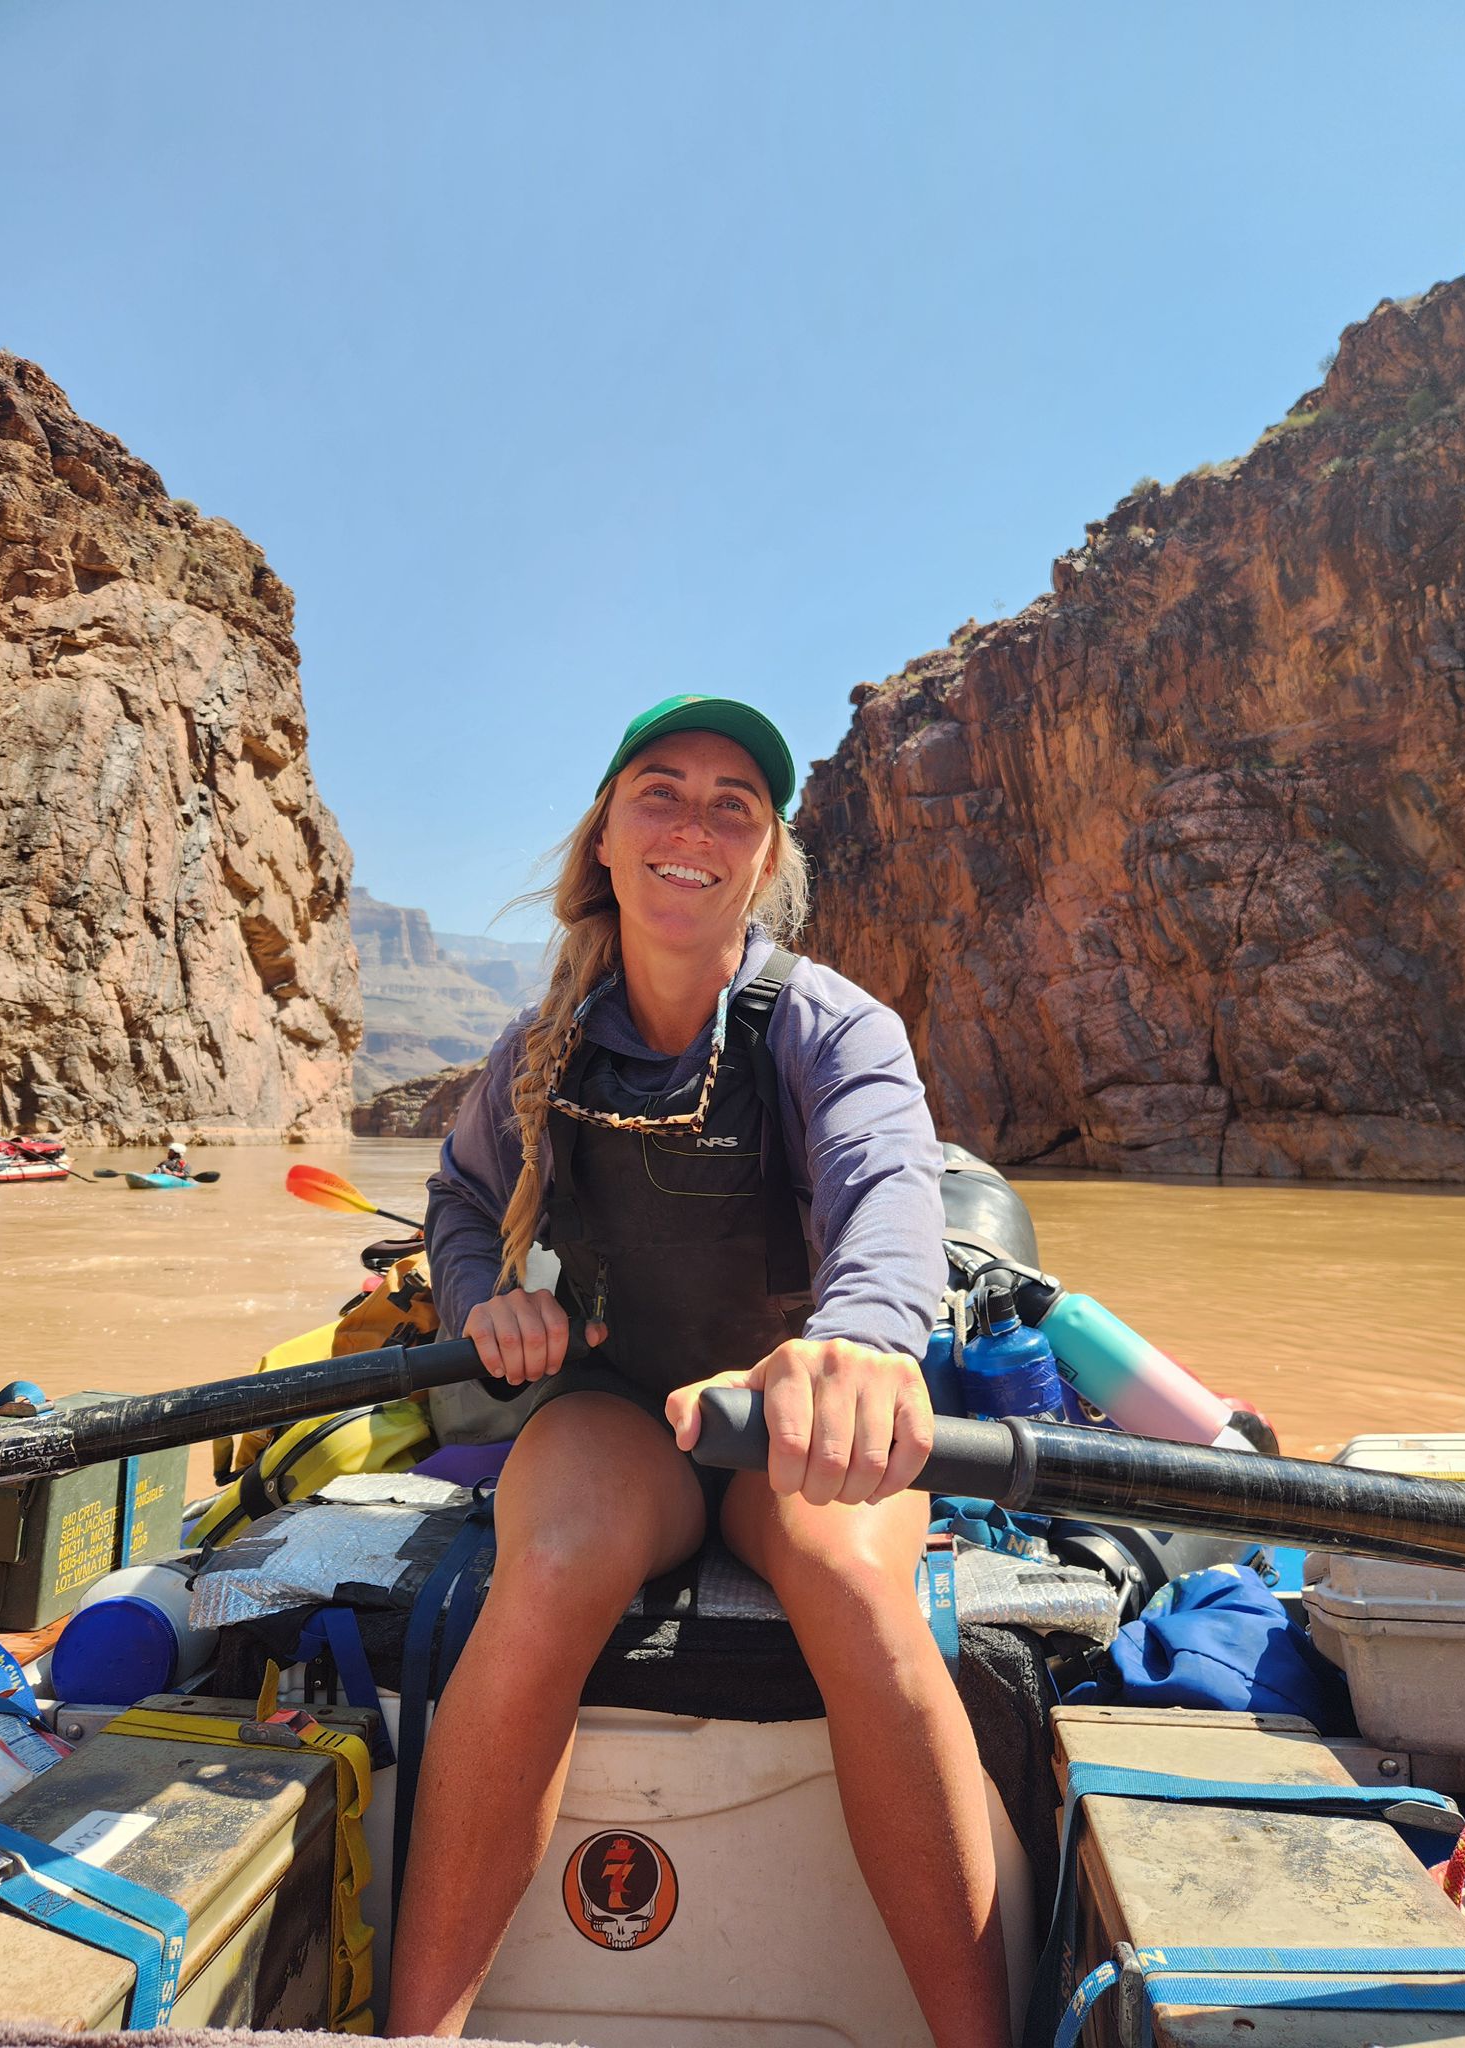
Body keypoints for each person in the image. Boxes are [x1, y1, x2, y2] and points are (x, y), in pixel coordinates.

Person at [389, 695, 1012, 2047]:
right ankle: (417, 2034)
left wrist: (862, 1341)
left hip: (797, 1424)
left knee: (852, 1576)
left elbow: (889, 1191)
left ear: (766, 859)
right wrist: (485, 1297)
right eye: (659, 792)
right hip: (625, 1413)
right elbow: (459, 1200)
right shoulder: (537, 1053)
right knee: (550, 1559)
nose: (695, 824)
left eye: (737, 805)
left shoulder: (834, 1028)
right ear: (605, 843)